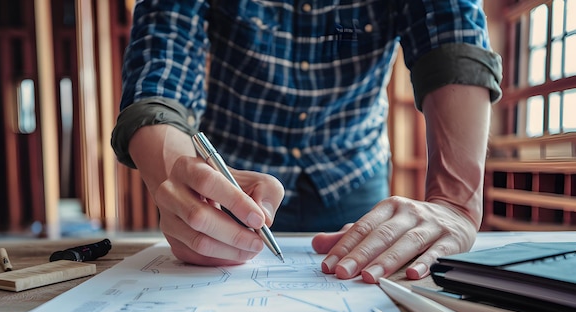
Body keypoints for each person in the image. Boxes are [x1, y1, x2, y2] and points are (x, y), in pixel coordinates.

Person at [111, 0, 502, 284]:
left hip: (354, 179)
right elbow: (160, 68)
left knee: (366, 278)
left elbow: (453, 40)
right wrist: (179, 187)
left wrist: (454, 205)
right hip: (229, 186)